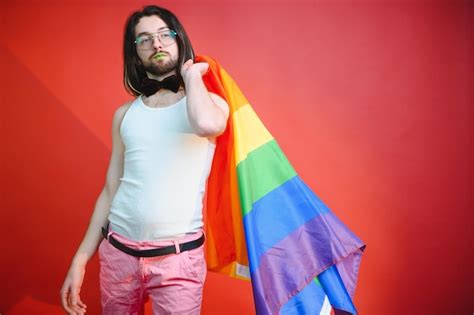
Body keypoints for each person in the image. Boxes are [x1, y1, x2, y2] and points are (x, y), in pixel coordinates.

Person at [60, 5, 229, 315]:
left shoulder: (209, 104)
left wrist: (191, 76)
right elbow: (111, 191)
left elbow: (207, 125)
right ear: (135, 53)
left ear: (180, 41)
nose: (158, 43)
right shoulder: (125, 115)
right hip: (118, 255)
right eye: (145, 39)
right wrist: (80, 259)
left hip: (178, 260)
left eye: (165, 34)